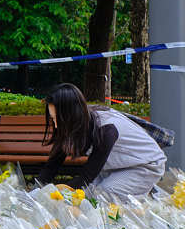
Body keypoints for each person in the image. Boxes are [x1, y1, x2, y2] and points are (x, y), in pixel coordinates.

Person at [40, 82, 169, 198]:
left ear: (71, 115)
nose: (56, 125)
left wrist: (58, 193)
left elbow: (86, 176)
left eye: (58, 119)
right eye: (53, 118)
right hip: (117, 166)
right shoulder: (73, 123)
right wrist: (37, 189)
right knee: (86, 195)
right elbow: (54, 162)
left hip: (145, 165)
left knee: (102, 195)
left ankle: (142, 200)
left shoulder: (106, 129)